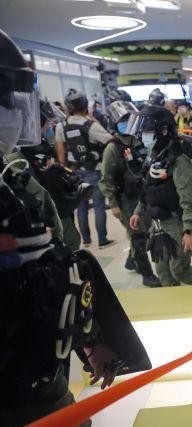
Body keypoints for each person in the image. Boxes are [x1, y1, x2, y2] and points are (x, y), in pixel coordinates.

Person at [0, 28, 149, 426]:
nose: (12, 116)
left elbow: (50, 265)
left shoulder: (14, 184)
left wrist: (89, 339)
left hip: (41, 377)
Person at [129, 105, 192, 286]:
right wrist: (138, 211)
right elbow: (148, 185)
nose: (144, 135)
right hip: (157, 224)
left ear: (163, 130)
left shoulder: (178, 159)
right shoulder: (154, 153)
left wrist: (188, 230)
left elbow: (188, 197)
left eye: (148, 131)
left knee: (180, 270)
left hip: (175, 224)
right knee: (163, 272)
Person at [100, 100, 161, 287]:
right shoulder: (112, 149)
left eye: (130, 119)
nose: (128, 123)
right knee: (138, 236)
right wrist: (113, 204)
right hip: (125, 200)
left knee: (143, 231)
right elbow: (106, 179)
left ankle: (130, 260)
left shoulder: (138, 141)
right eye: (123, 120)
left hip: (141, 196)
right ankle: (147, 274)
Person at [16, 100, 89, 250]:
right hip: (53, 212)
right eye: (47, 125)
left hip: (58, 207)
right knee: (71, 243)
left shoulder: (38, 148)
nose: (50, 126)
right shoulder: (26, 154)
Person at [55, 89, 115, 248]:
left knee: (80, 208)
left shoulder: (61, 126)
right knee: (98, 206)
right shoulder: (91, 125)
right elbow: (110, 140)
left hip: (74, 172)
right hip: (94, 170)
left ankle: (86, 240)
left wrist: (63, 170)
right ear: (84, 106)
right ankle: (102, 240)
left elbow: (61, 151)